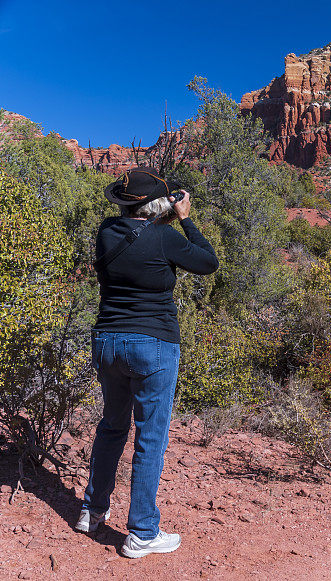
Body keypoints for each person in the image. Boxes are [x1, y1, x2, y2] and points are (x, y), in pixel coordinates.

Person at [75, 167, 218, 559]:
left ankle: (92, 510)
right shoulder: (165, 236)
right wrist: (185, 217)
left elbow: (137, 233)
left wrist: (162, 214)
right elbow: (208, 262)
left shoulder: (107, 232)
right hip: (152, 344)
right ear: (156, 204)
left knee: (111, 428)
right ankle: (141, 532)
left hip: (107, 341)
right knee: (150, 436)